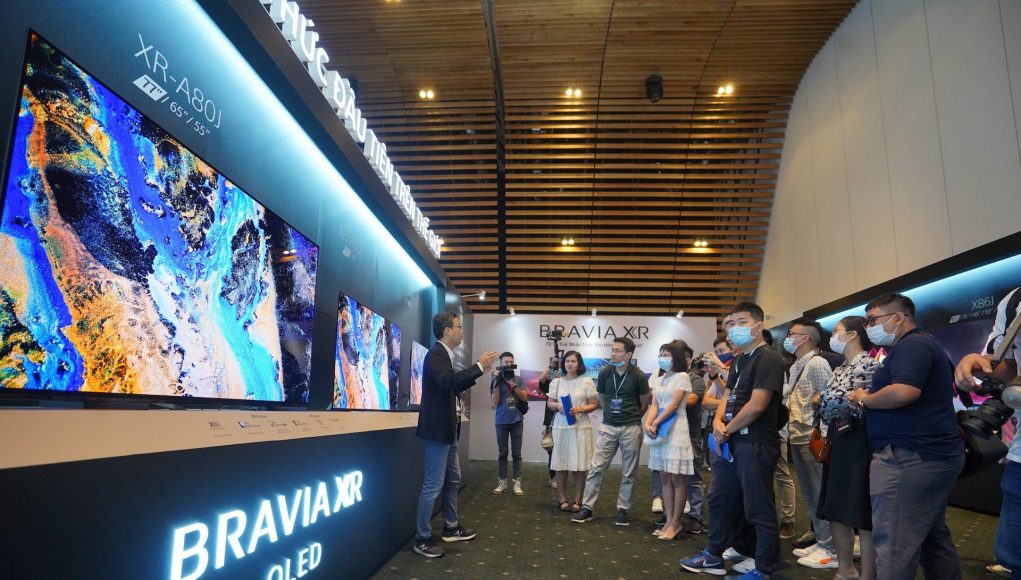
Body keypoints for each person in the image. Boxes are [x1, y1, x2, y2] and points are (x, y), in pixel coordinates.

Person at [847, 293, 965, 579]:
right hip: (925, 454)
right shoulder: (918, 345)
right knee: (931, 538)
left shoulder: (913, 345)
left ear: (899, 317)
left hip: (910, 456)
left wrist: (864, 398)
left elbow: (903, 392)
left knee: (894, 545)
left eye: (872, 320)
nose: (868, 327)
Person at [681, 302, 785, 579]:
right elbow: (728, 395)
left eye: (741, 322)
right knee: (719, 499)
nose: (734, 329)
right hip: (730, 442)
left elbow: (757, 405)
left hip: (755, 443)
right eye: (730, 324)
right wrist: (718, 422)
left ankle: (764, 569)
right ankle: (714, 555)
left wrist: (726, 429)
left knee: (758, 508)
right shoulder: (740, 359)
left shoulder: (769, 359)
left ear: (758, 326)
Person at [413, 312, 499, 558]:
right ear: (447, 330)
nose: (461, 331)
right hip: (437, 431)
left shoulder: (444, 355)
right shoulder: (436, 354)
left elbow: (452, 385)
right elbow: (446, 382)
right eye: (459, 327)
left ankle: (450, 527)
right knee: (433, 485)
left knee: (452, 480)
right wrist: (478, 366)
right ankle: (422, 538)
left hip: (448, 431)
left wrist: (478, 371)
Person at [954, 287, 1021, 580]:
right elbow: (1006, 365)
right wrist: (976, 363)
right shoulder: (1014, 300)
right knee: (1013, 555)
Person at [816, 316, 880, 580]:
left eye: (837, 331)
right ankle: (845, 569)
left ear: (853, 334)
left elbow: (839, 403)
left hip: (859, 441)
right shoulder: (841, 367)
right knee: (836, 507)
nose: (832, 337)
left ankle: (868, 574)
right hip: (838, 438)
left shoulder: (868, 364)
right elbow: (830, 404)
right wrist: (827, 401)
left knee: (861, 510)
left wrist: (826, 401)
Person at [572, 336, 651, 526]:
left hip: (631, 427)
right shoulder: (605, 372)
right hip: (608, 426)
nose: (613, 353)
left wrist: (632, 417)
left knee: (629, 471)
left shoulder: (639, 375)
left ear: (628, 355)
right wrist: (611, 415)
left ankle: (623, 509)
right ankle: (587, 507)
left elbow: (644, 403)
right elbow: (601, 398)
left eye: (617, 350)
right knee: (596, 468)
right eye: (612, 350)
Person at [783, 318, 836, 569]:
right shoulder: (797, 365)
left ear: (806, 338)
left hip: (812, 437)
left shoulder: (817, 363)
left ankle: (831, 548)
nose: (788, 338)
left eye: (792, 334)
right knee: (810, 494)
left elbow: (828, 400)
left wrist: (824, 437)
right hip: (796, 434)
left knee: (819, 492)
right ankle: (822, 540)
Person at [646, 341, 695, 540]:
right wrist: (648, 423)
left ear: (676, 357)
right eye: (661, 354)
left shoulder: (682, 376)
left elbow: (674, 405)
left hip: (676, 429)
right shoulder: (659, 378)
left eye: (666, 355)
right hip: (660, 429)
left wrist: (656, 423)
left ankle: (676, 522)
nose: (663, 358)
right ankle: (668, 520)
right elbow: (654, 404)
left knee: (677, 478)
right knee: (664, 476)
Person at [546, 350, 598, 512]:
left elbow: (594, 404)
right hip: (561, 426)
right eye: (567, 361)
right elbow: (550, 403)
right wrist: (558, 406)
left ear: (579, 364)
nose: (570, 363)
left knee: (579, 465)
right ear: (563, 364)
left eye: (573, 361)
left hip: (580, 427)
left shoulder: (586, 381)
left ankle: (578, 499)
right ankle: (562, 498)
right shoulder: (557, 382)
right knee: (561, 463)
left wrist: (581, 408)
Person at [490, 352, 529, 495]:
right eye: (505, 362)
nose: (508, 364)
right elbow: (495, 401)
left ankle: (517, 482)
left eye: (511, 362)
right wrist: (496, 381)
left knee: (516, 453)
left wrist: (513, 384)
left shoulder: (519, 379)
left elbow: (524, 398)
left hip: (516, 420)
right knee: (502, 453)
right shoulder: (496, 379)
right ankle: (502, 482)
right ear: (500, 364)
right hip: (501, 421)